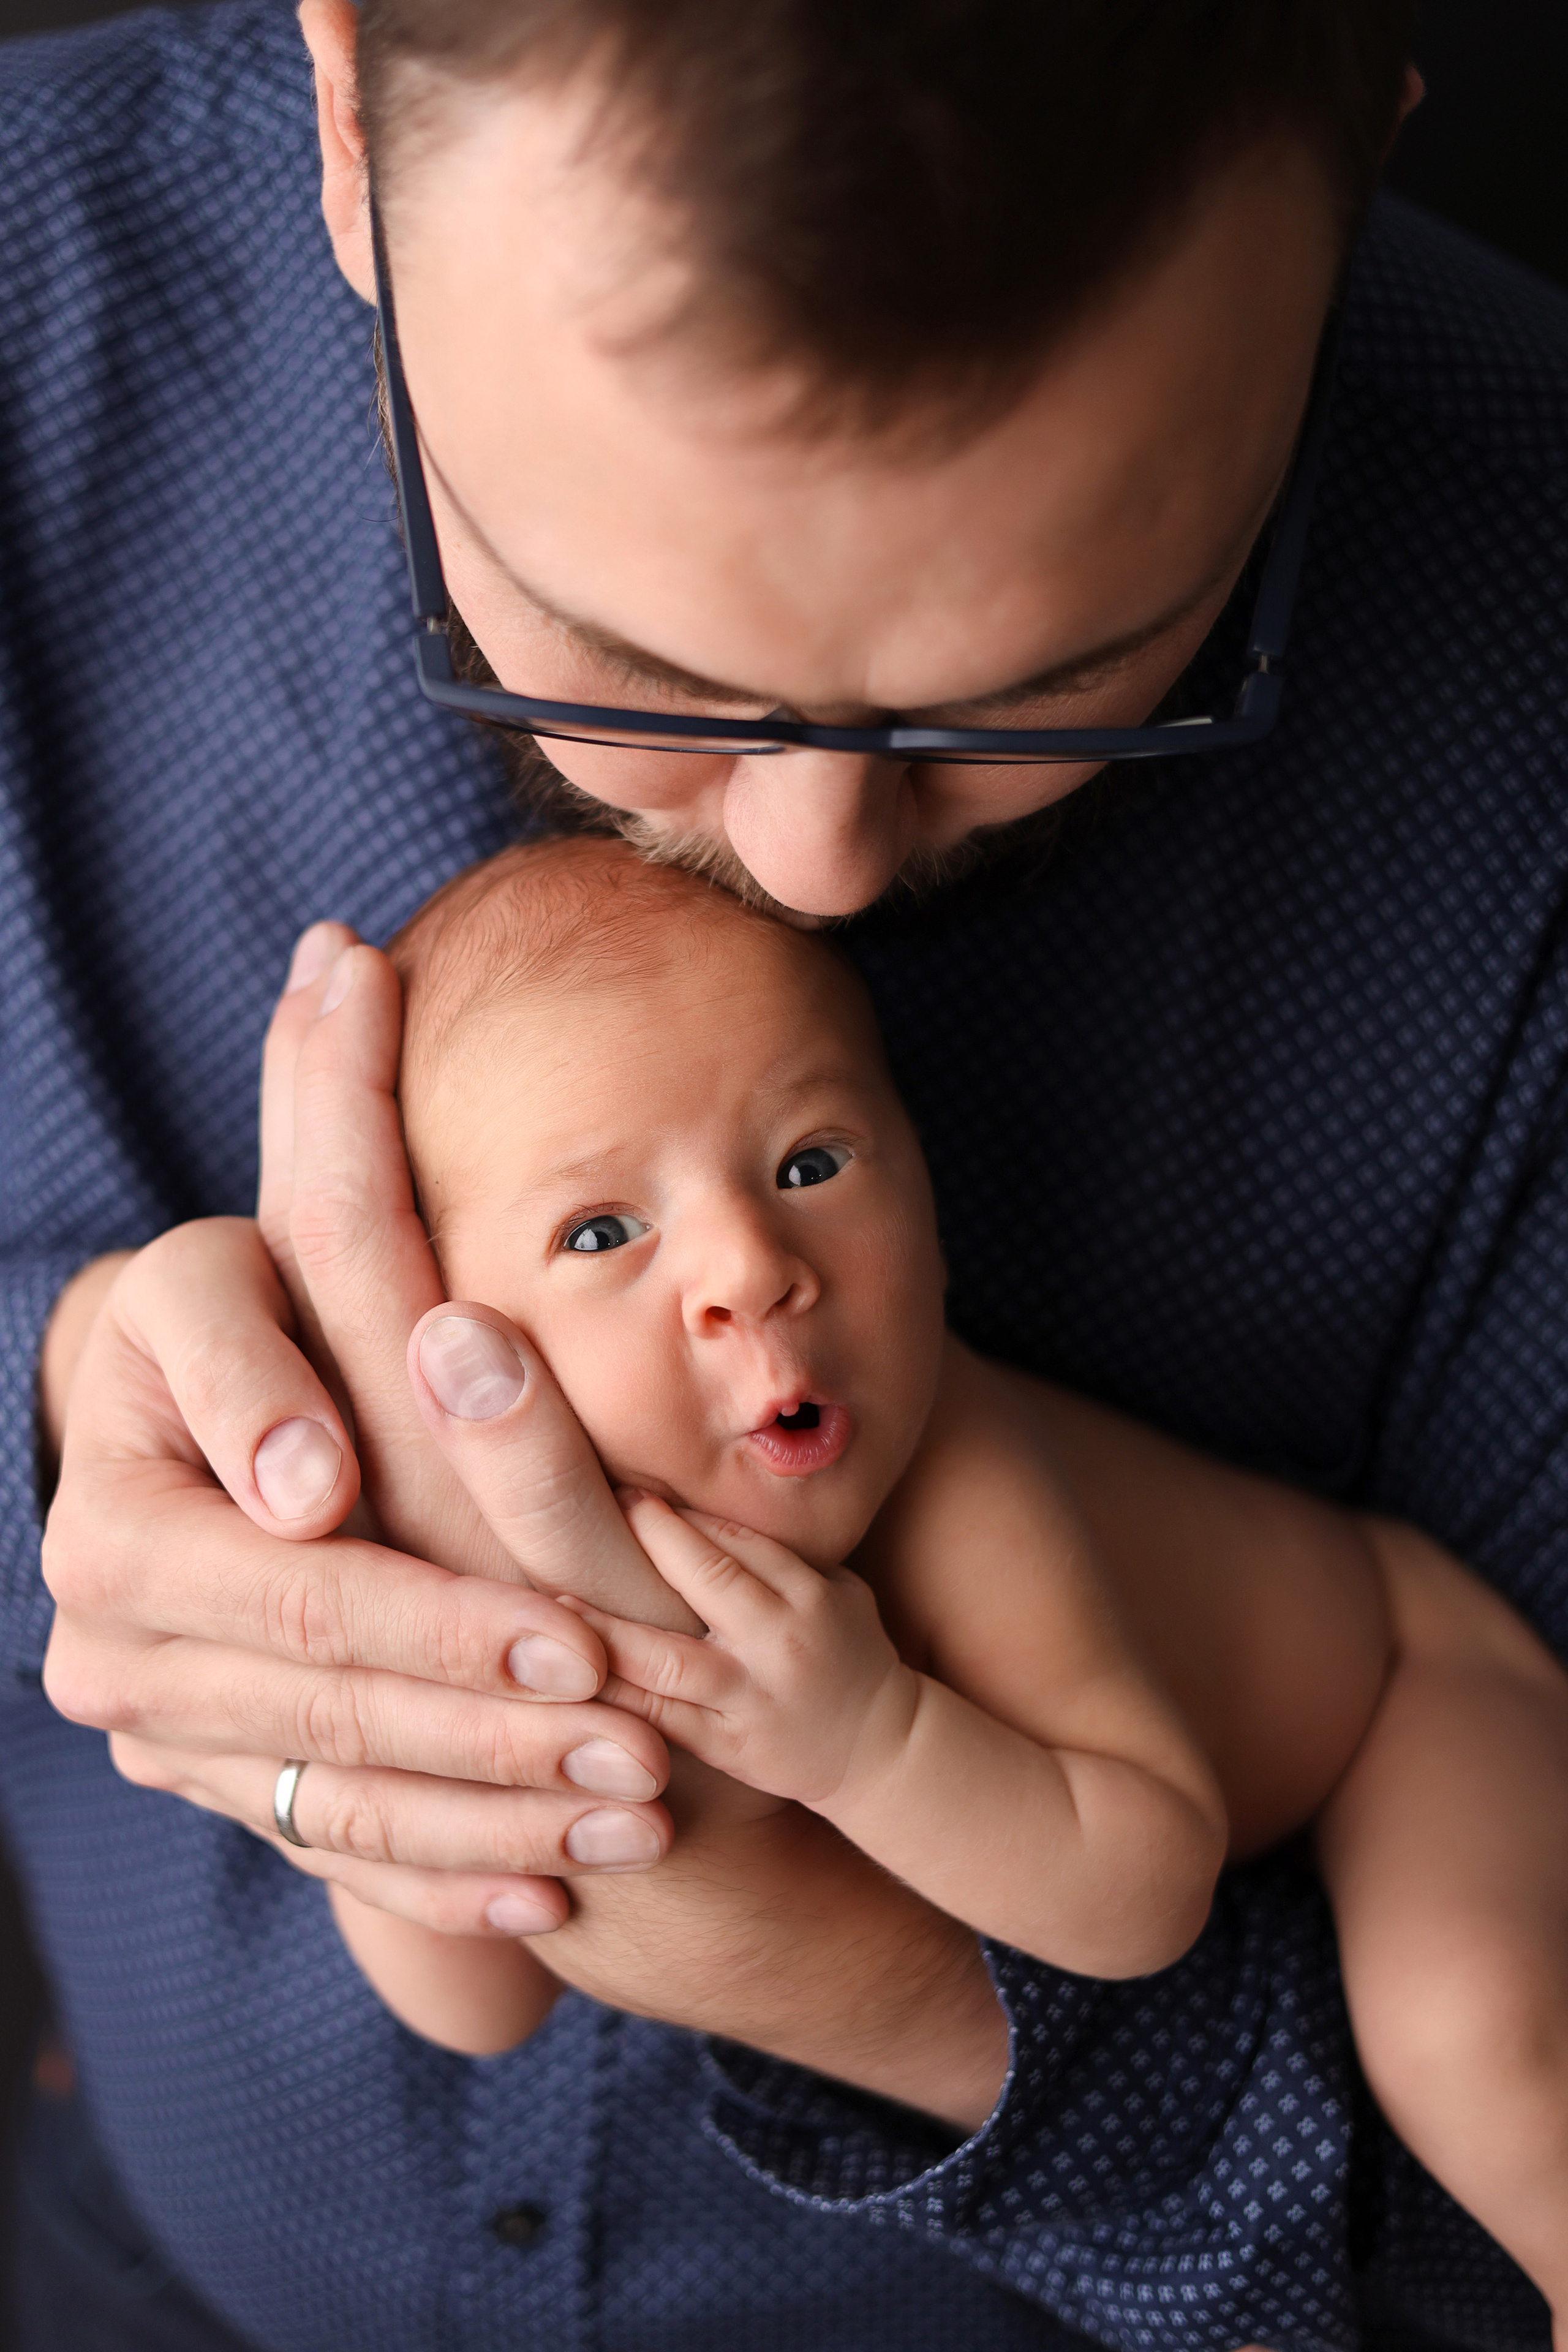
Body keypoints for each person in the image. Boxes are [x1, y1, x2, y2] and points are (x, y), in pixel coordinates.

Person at [4, 0, 1566, 2347]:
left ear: (1363, 143)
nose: (814, 873)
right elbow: (447, 1974)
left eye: (1080, 675)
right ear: (343, 101)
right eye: (615, 652)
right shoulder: (35, 301)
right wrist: (88, 1425)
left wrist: (841, 1953)